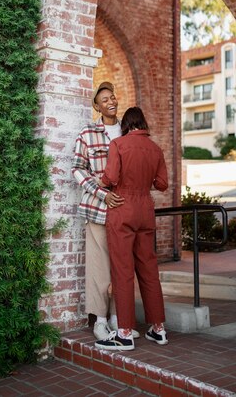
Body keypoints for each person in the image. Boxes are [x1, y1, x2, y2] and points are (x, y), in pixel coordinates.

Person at [95, 106, 169, 351]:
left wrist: (100, 182)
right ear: (143, 122)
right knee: (149, 269)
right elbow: (162, 184)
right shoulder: (155, 148)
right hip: (145, 210)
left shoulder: (119, 144)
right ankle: (158, 329)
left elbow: (110, 177)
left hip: (123, 207)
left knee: (123, 270)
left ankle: (124, 333)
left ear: (126, 124)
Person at [72, 82, 139, 340]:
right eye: (104, 99)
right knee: (100, 267)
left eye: (113, 97)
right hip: (98, 209)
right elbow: (78, 169)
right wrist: (102, 193)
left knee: (121, 266)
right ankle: (100, 321)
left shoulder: (127, 131)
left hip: (125, 210)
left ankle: (117, 319)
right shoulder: (88, 133)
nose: (111, 101)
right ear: (97, 107)